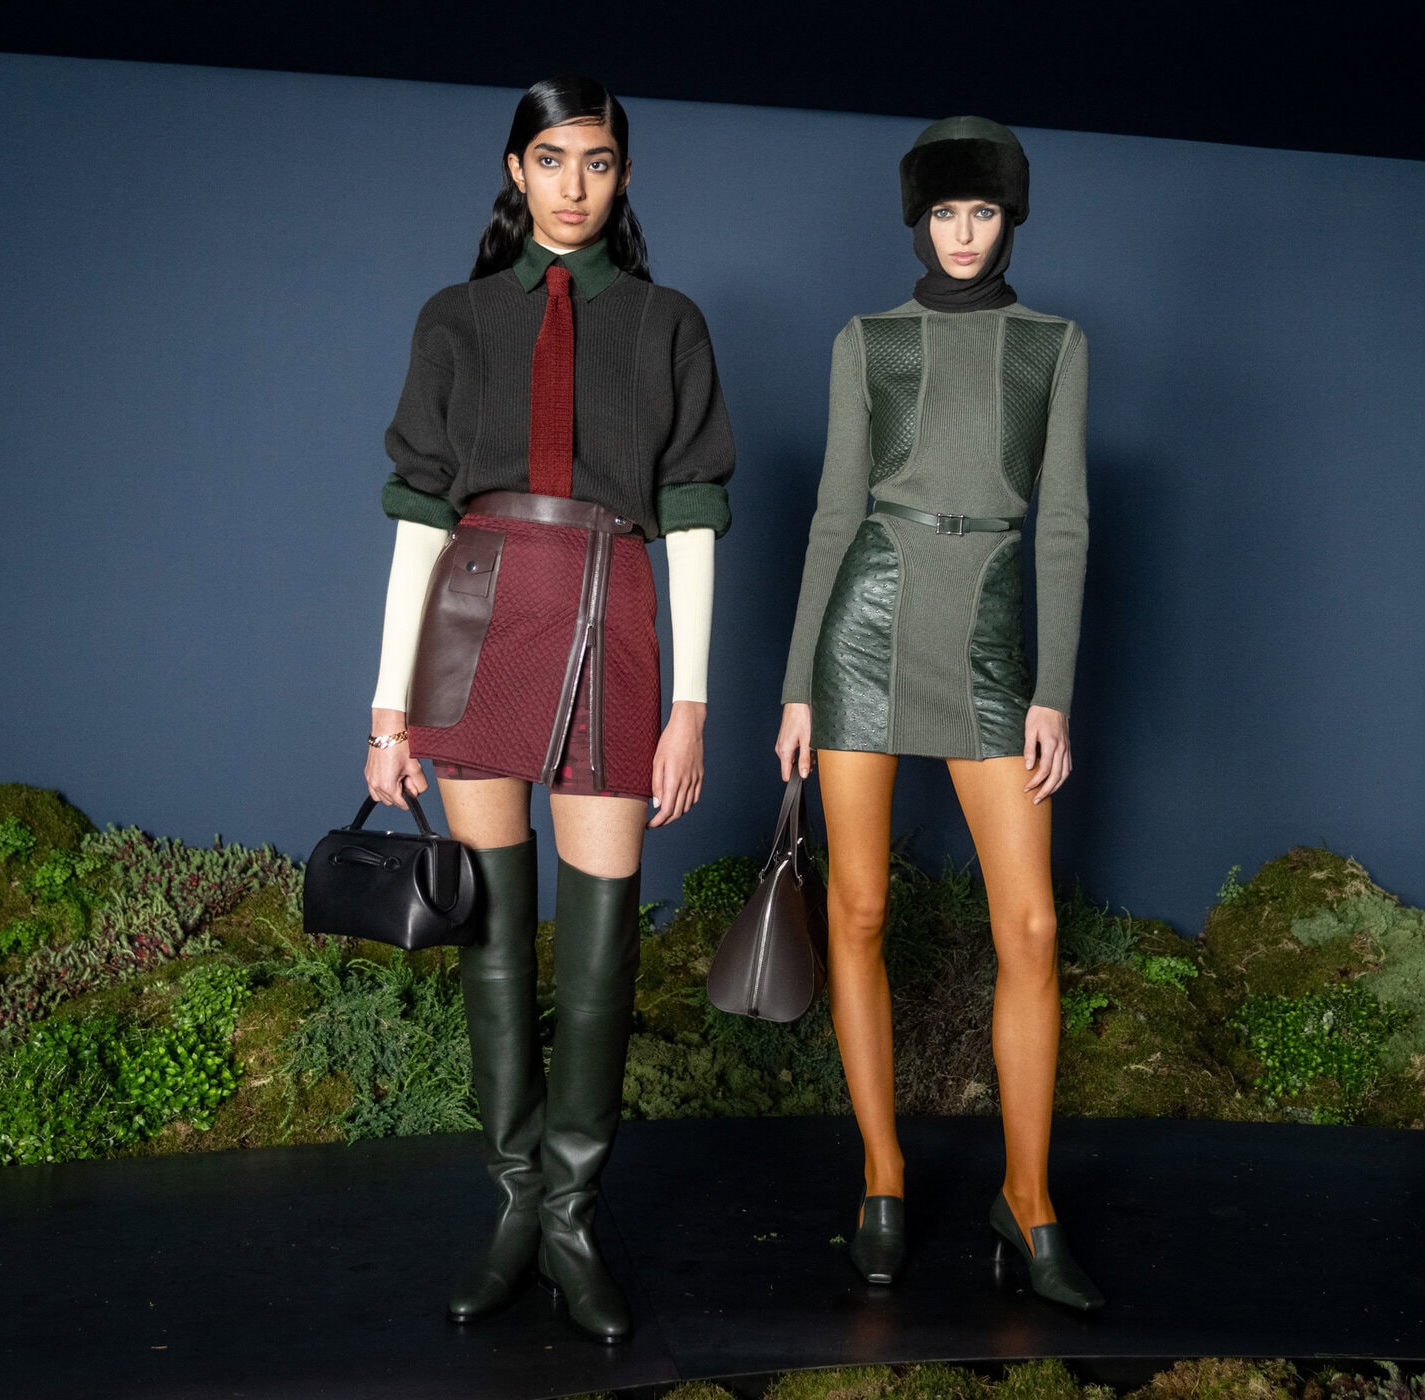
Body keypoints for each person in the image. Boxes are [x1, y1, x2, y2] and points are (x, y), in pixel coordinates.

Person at [364, 74, 733, 1345]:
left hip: (611, 614)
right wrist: (387, 706)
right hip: (475, 620)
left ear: (624, 176)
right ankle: (515, 1203)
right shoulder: (456, 317)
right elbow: (419, 520)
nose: (576, 185)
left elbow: (693, 515)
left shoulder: (669, 322)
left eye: (600, 161)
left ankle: (573, 1215)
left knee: (600, 949)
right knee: (492, 935)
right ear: (516, 170)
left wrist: (691, 703)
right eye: (553, 159)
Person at [773, 116, 1101, 1312]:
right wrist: (798, 682)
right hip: (865, 623)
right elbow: (832, 508)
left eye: (984, 211)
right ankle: (882, 1174)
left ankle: (1030, 1196)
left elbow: (1063, 520)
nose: (964, 233)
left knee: (1032, 928)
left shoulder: (1055, 344)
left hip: (991, 635)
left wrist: (1052, 688)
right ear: (920, 218)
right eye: (946, 212)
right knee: (856, 910)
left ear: (1011, 217)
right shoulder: (868, 340)